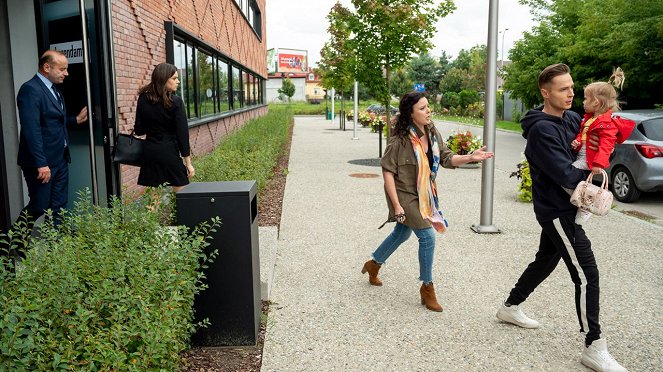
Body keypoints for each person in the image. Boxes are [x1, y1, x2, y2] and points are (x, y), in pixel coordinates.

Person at [495, 63, 627, 372]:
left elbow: (594, 140)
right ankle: (594, 346)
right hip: (558, 211)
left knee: (546, 259)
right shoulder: (542, 129)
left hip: (568, 208)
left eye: (571, 88)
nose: (570, 93)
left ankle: (510, 306)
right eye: (562, 89)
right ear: (546, 93)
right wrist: (591, 166)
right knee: (586, 273)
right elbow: (566, 173)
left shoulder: (571, 117)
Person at [361, 91, 494, 312]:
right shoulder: (399, 140)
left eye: (428, 106)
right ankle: (427, 287)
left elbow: (446, 158)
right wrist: (396, 205)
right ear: (410, 114)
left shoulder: (432, 133)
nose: (428, 110)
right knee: (427, 235)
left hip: (425, 193)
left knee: (402, 233)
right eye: (422, 108)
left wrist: (470, 157)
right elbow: (387, 173)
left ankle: (373, 264)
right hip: (404, 195)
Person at [16, 50, 88, 234]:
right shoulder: (30, 89)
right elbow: (31, 129)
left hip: (60, 159)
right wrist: (41, 163)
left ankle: (56, 249)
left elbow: (51, 121)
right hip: (42, 164)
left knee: (58, 207)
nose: (67, 73)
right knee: (39, 206)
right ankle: (11, 245)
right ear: (47, 67)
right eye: (62, 69)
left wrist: (74, 120)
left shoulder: (54, 89)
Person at [566, 67, 634, 224]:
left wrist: (598, 164)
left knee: (566, 177)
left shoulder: (606, 124)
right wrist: (576, 142)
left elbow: (606, 145)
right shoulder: (589, 119)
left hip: (589, 159)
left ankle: (585, 205)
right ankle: (583, 203)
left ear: (595, 102)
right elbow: (583, 136)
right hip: (583, 154)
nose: (582, 102)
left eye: (585, 99)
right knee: (573, 181)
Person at [134, 63, 194, 193]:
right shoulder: (176, 102)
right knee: (183, 197)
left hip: (150, 153)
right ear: (163, 79)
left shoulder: (143, 99)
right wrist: (188, 163)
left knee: (153, 203)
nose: (178, 81)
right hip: (169, 153)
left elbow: (139, 130)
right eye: (174, 78)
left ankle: (151, 215)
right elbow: (182, 135)